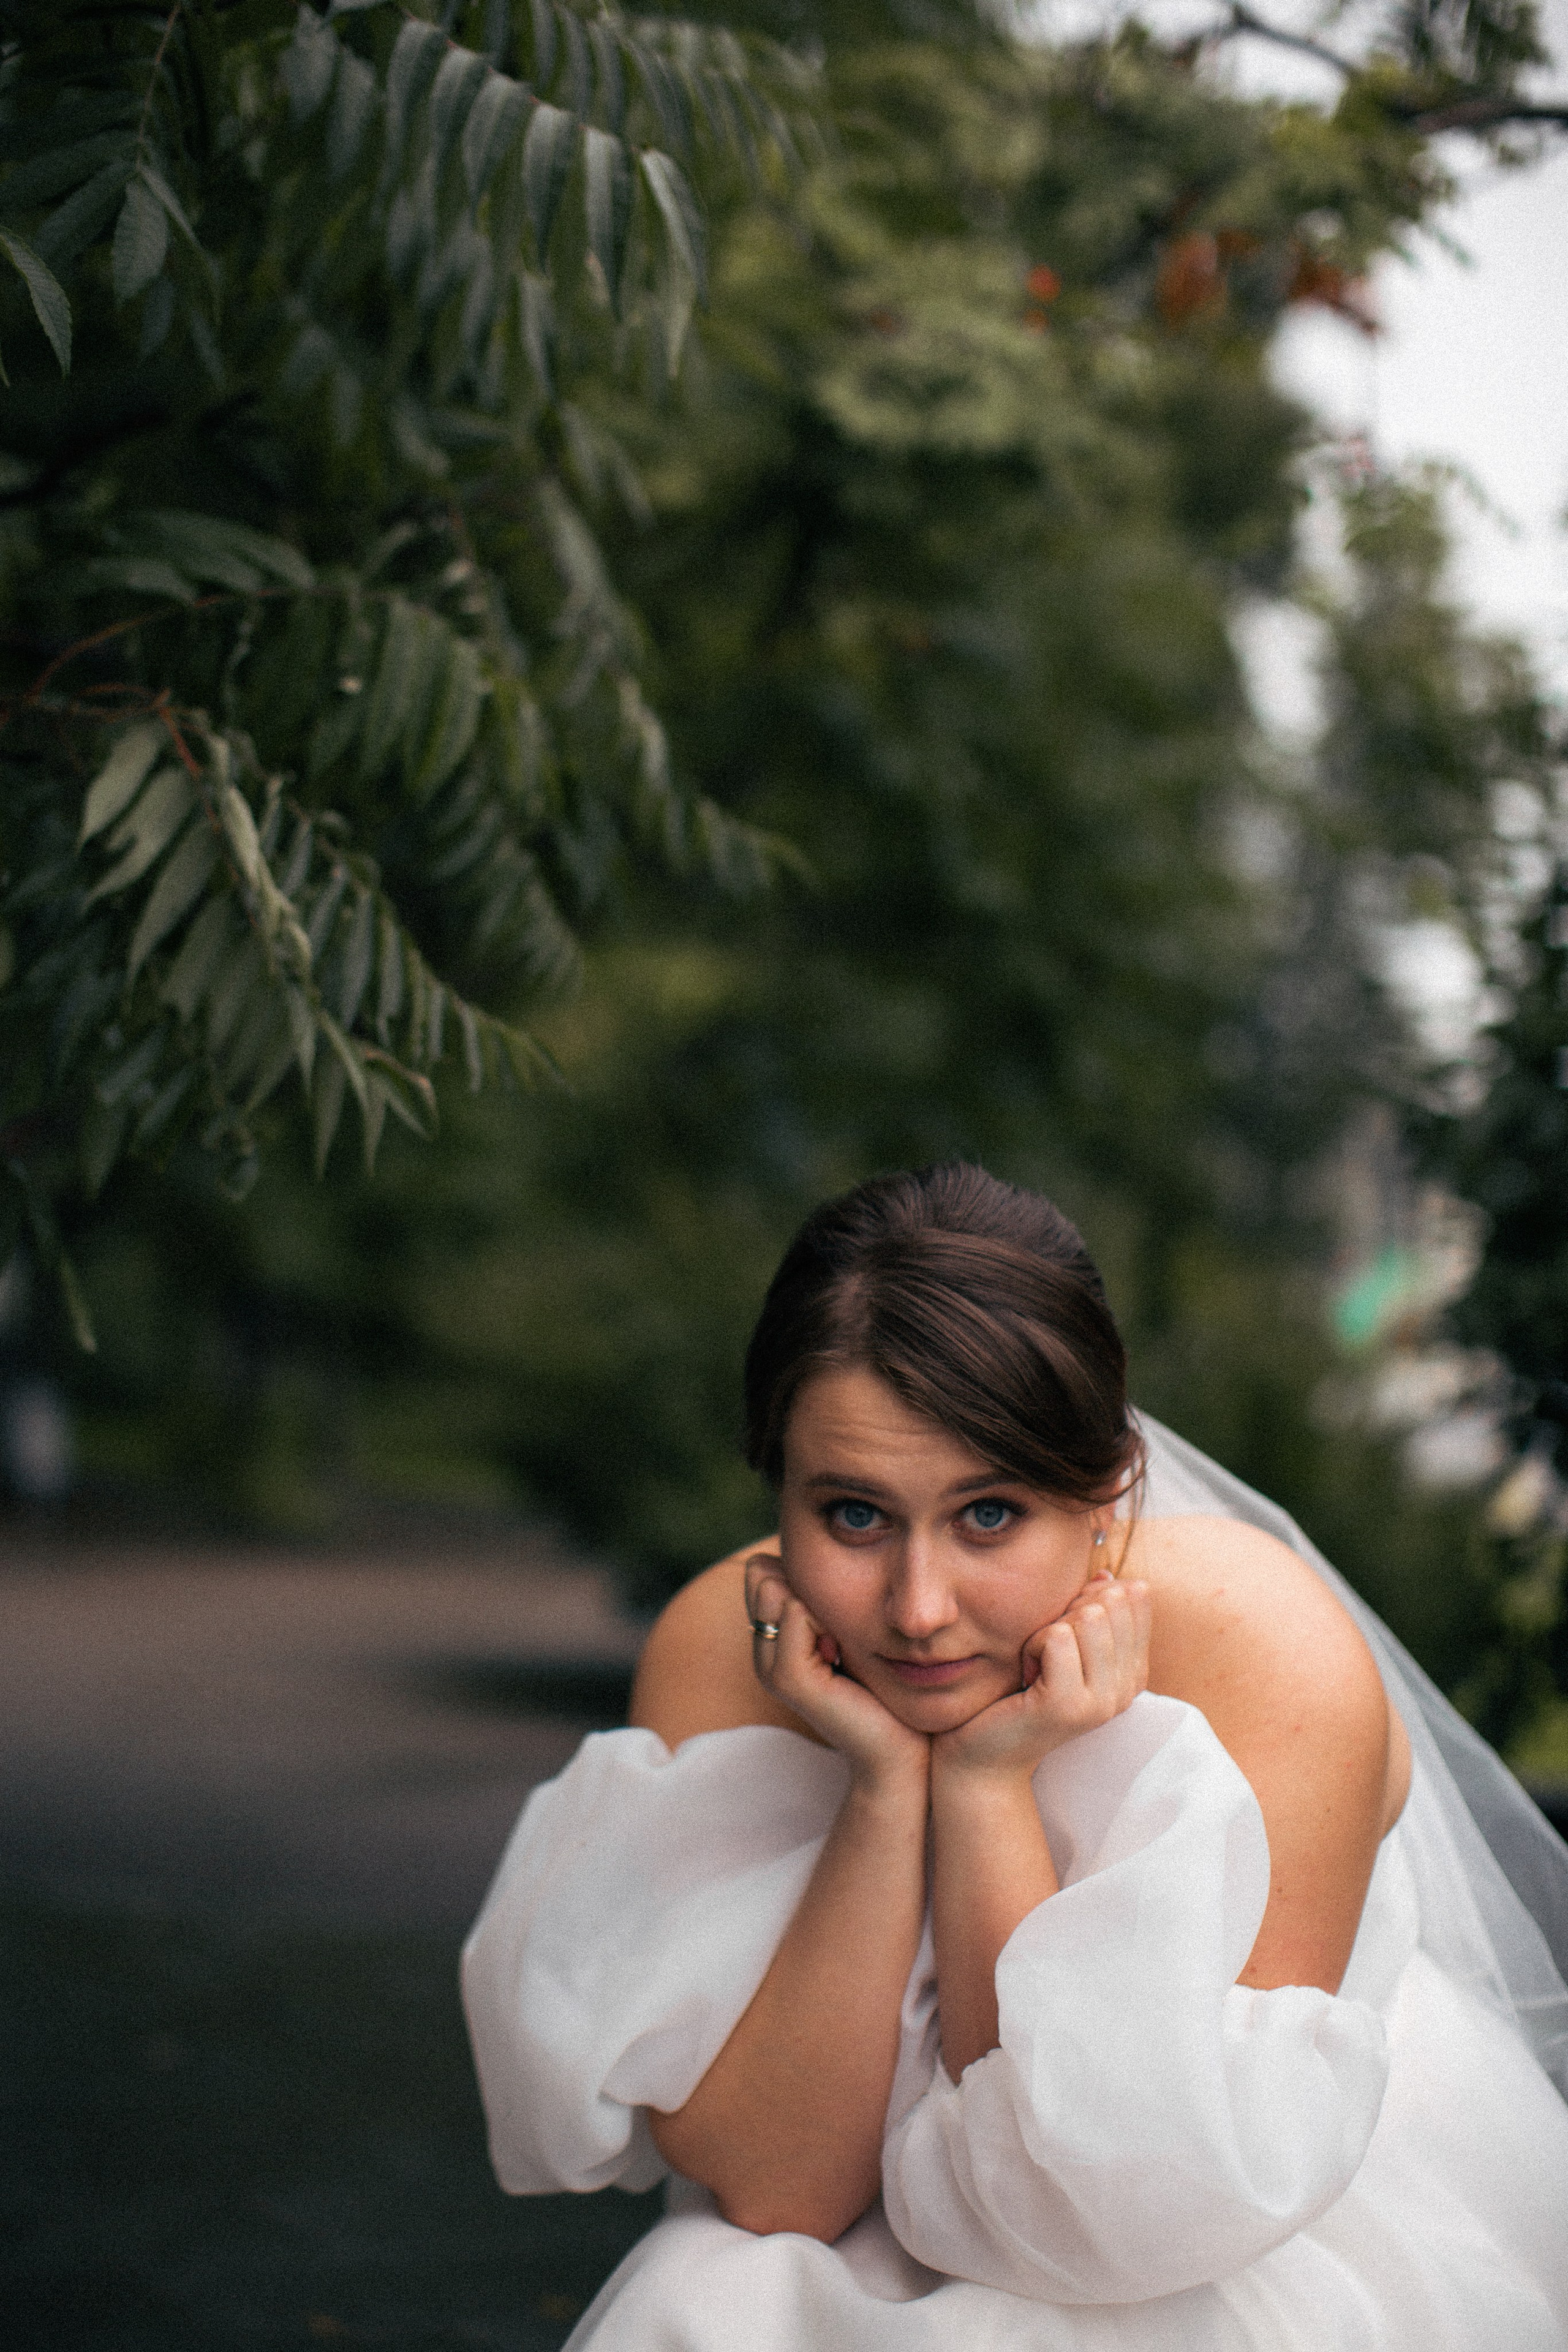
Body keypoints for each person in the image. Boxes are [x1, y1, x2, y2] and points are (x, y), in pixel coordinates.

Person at [462, 1164, 1568, 2350]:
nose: (917, 1609)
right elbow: (777, 2196)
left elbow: (1101, 2210)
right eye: (852, 1515)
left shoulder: (1260, 1646)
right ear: (775, 1491)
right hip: (888, 2210)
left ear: (1105, 1496)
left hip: (1230, 2202)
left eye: (987, 1514)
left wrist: (988, 1785)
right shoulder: (721, 1647)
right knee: (712, 2293)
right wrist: (885, 1793)